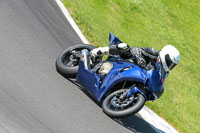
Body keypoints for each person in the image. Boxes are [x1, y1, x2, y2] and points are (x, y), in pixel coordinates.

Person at [90, 43, 180, 73]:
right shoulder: (152, 52)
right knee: (124, 47)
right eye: (169, 62)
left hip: (133, 73)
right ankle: (98, 51)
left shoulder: (161, 71)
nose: (169, 65)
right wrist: (140, 58)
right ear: (165, 55)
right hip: (127, 61)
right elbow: (136, 49)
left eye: (172, 64)